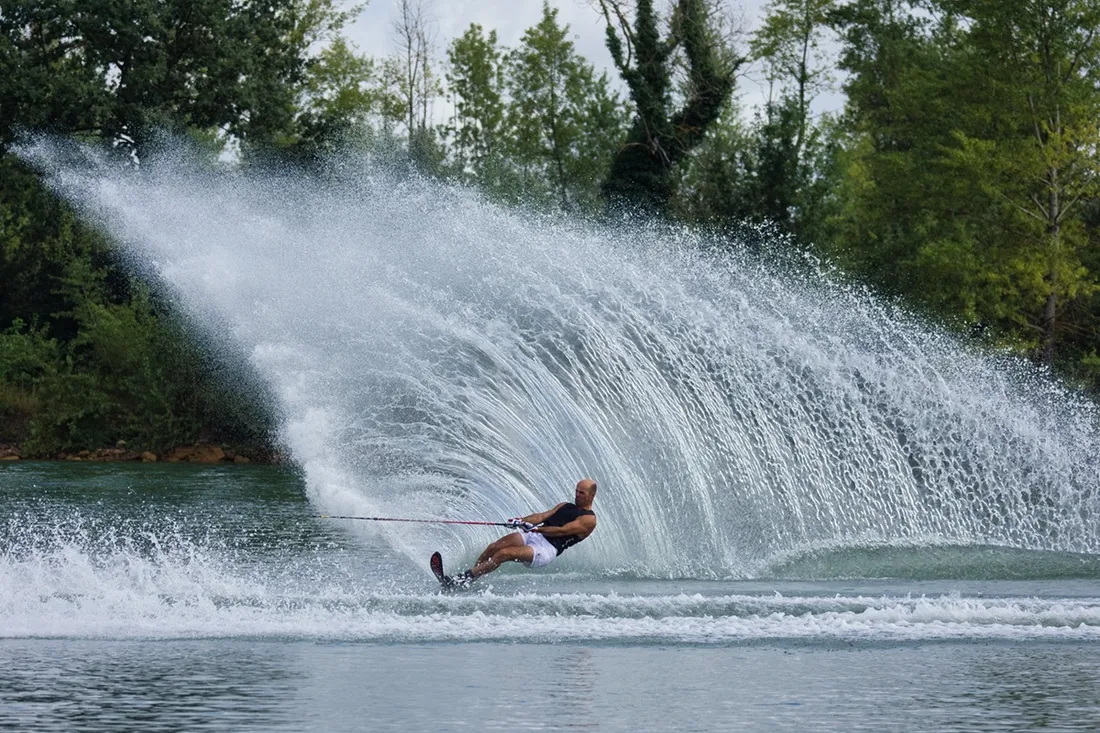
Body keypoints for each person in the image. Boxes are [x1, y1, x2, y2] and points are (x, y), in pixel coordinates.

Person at [448, 478, 598, 586]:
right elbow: (541, 516)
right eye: (577, 491)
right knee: (493, 547)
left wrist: (535, 528)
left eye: (582, 493)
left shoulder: (589, 520)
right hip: (535, 535)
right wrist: (521, 521)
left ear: (591, 496)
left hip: (546, 549)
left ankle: (461, 580)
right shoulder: (565, 505)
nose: (577, 495)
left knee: (503, 554)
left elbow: (561, 531)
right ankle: (471, 578)